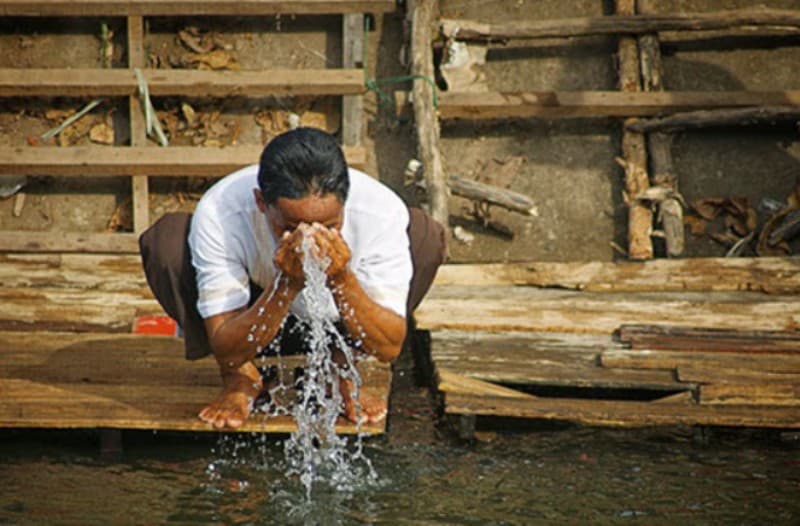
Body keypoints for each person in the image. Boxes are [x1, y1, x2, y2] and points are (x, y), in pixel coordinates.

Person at [139, 127, 446, 429]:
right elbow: (226, 348)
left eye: (330, 226)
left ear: (345, 202)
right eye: (290, 226)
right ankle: (240, 379)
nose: (308, 238)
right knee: (167, 242)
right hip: (256, 320)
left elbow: (388, 348)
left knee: (425, 237)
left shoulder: (380, 211)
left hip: (339, 322)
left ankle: (343, 367)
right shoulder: (221, 213)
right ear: (261, 203)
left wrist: (341, 278)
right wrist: (286, 284)